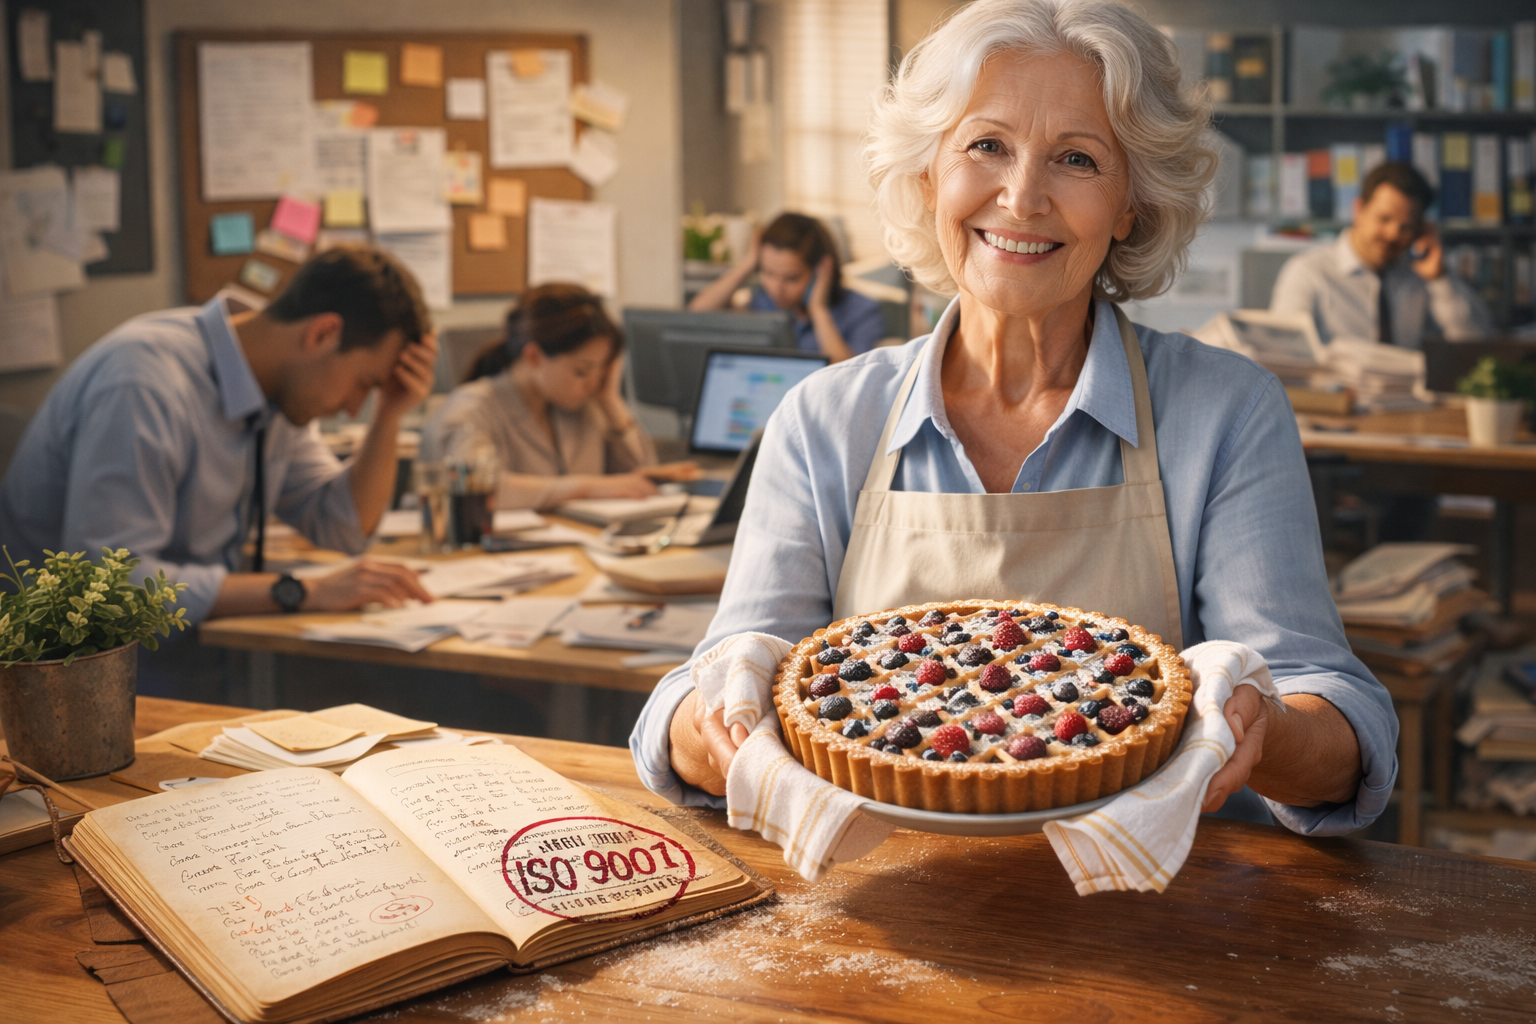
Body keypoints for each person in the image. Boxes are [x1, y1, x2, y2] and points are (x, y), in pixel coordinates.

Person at [633, 0, 1398, 836]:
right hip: (883, 904)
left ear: (1131, 206)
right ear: (929, 176)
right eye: (986, 145)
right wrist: (718, 720)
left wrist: (1265, 725)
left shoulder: (1226, 412)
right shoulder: (824, 419)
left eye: (1076, 159)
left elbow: (1344, 734)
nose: (1022, 196)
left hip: (1160, 917)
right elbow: (698, 703)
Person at [0, 246, 438, 631]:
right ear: (322, 333)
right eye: (364, 383)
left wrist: (390, 415)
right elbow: (108, 588)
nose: (353, 408)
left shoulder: (278, 390)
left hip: (186, 658)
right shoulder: (144, 384)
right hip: (62, 671)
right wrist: (300, 591)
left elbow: (342, 526)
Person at [421, 284, 692, 510]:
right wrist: (583, 487)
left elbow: (641, 479)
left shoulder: (583, 406)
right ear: (534, 357)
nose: (593, 382)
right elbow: (476, 490)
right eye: (582, 370)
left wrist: (611, 400)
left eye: (602, 370)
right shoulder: (471, 410)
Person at [1271, 161, 1493, 347]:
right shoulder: (1308, 271)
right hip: (1336, 397)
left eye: (1406, 226)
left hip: (1404, 398)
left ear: (1421, 229)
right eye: (1384, 219)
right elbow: (1284, 352)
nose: (1393, 234)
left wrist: (1440, 278)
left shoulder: (1421, 276)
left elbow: (1474, 343)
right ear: (1359, 210)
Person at [688, 212, 888, 362]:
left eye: (791, 278)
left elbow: (851, 377)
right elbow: (698, 314)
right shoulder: (763, 302)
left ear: (821, 269)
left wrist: (818, 310)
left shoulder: (862, 311)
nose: (776, 288)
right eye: (767, 273)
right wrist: (748, 264)